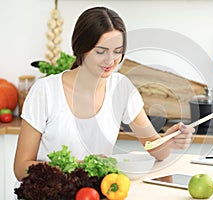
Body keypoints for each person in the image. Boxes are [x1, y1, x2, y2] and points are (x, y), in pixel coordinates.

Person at [14, 6, 194, 181]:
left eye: (117, 52)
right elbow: (21, 168)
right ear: (80, 48)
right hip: (49, 192)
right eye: (101, 51)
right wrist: (75, 167)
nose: (110, 60)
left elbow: (155, 149)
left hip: (93, 192)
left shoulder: (121, 88)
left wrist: (170, 140)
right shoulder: (45, 91)